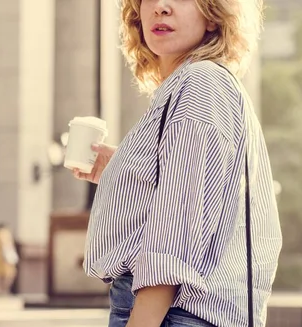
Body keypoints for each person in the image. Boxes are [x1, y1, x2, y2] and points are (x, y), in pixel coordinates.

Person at [73, 0, 282, 326]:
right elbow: (185, 196)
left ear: (213, 16)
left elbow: (172, 242)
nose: (161, 7)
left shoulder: (201, 84)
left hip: (172, 312)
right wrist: (122, 169)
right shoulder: (194, 85)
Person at [0, 223, 19, 295]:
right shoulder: (6, 234)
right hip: (6, 259)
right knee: (9, 275)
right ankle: (3, 289)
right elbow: (7, 247)